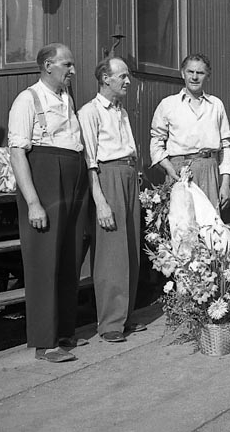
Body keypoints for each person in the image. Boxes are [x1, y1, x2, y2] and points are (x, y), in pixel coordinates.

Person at [8, 43, 88, 363]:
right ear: (47, 66)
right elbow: (17, 154)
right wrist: (33, 203)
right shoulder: (26, 100)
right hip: (45, 178)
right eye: (67, 65)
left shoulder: (67, 98)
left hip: (72, 176)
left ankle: (64, 330)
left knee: (70, 256)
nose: (72, 70)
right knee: (43, 260)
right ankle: (45, 342)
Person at [78, 56, 146, 343]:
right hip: (108, 178)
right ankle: (109, 323)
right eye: (123, 76)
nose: (128, 81)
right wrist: (101, 202)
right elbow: (89, 161)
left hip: (128, 176)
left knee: (130, 249)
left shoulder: (121, 111)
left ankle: (125, 316)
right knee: (111, 253)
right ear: (106, 78)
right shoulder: (90, 112)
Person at [150, 53, 230, 211]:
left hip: (209, 170)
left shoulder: (216, 105)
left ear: (207, 76)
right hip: (178, 171)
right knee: (182, 221)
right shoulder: (168, 104)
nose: (194, 77)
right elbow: (156, 143)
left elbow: (226, 146)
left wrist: (225, 184)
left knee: (209, 222)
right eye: (190, 72)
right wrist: (169, 168)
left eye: (200, 73)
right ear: (183, 73)